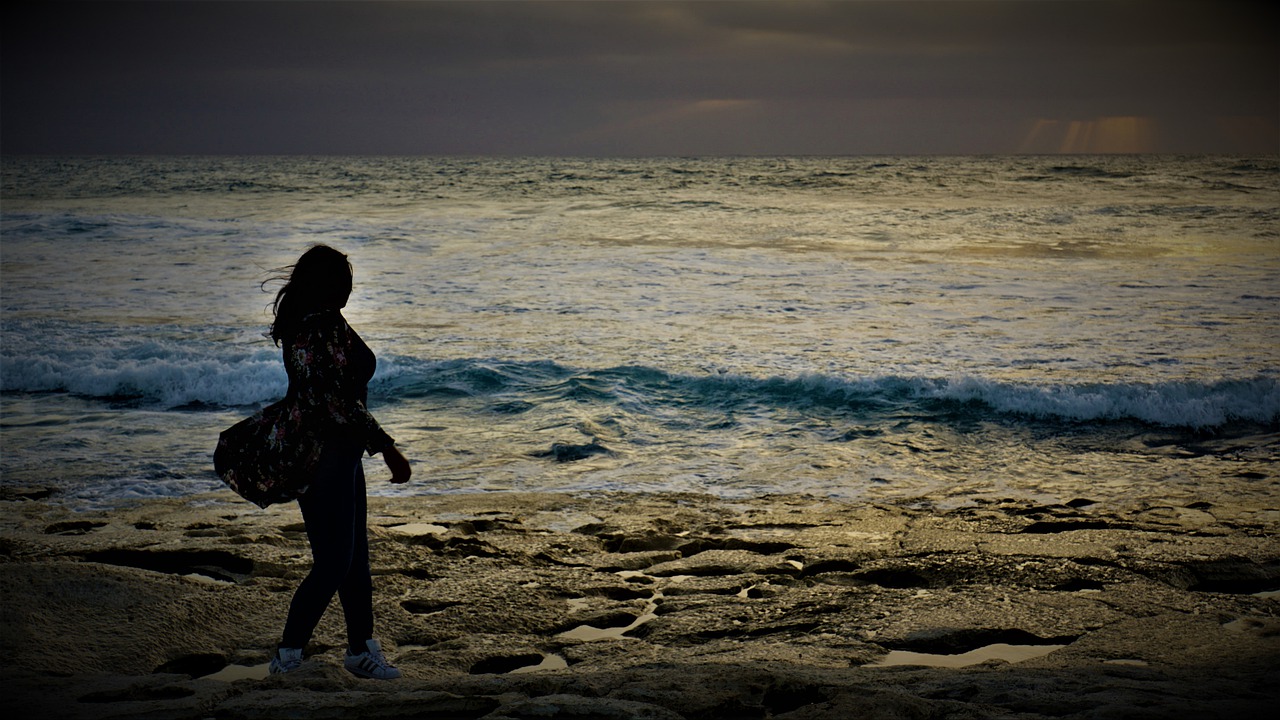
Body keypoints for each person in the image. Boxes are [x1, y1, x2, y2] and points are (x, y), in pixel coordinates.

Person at [256, 244, 411, 679]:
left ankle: (361, 650)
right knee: (334, 562)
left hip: (338, 452)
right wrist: (388, 448)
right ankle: (287, 657)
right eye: (342, 282)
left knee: (354, 558)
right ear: (325, 285)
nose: (348, 290)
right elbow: (334, 400)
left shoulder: (324, 321)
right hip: (320, 456)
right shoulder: (314, 329)